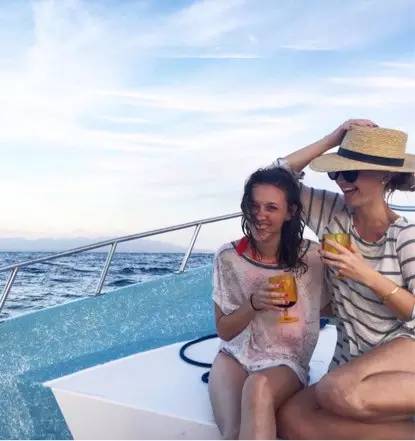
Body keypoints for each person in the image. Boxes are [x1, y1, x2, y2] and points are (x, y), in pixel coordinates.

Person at [276, 119, 415, 439]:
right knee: (290, 418)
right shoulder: (332, 213)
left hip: (402, 351)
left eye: (350, 173)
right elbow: (275, 179)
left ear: (384, 175)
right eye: (336, 172)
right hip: (352, 356)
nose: (341, 181)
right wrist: (332, 138)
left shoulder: (405, 236)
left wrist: (364, 273)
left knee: (336, 391)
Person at [208, 166, 329, 439]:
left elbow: (330, 305)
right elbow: (224, 331)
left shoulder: (312, 257)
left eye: (271, 208)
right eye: (254, 206)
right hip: (235, 355)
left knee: (259, 385)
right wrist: (253, 304)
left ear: (290, 212)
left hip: (286, 361)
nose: (260, 215)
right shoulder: (228, 257)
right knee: (233, 433)